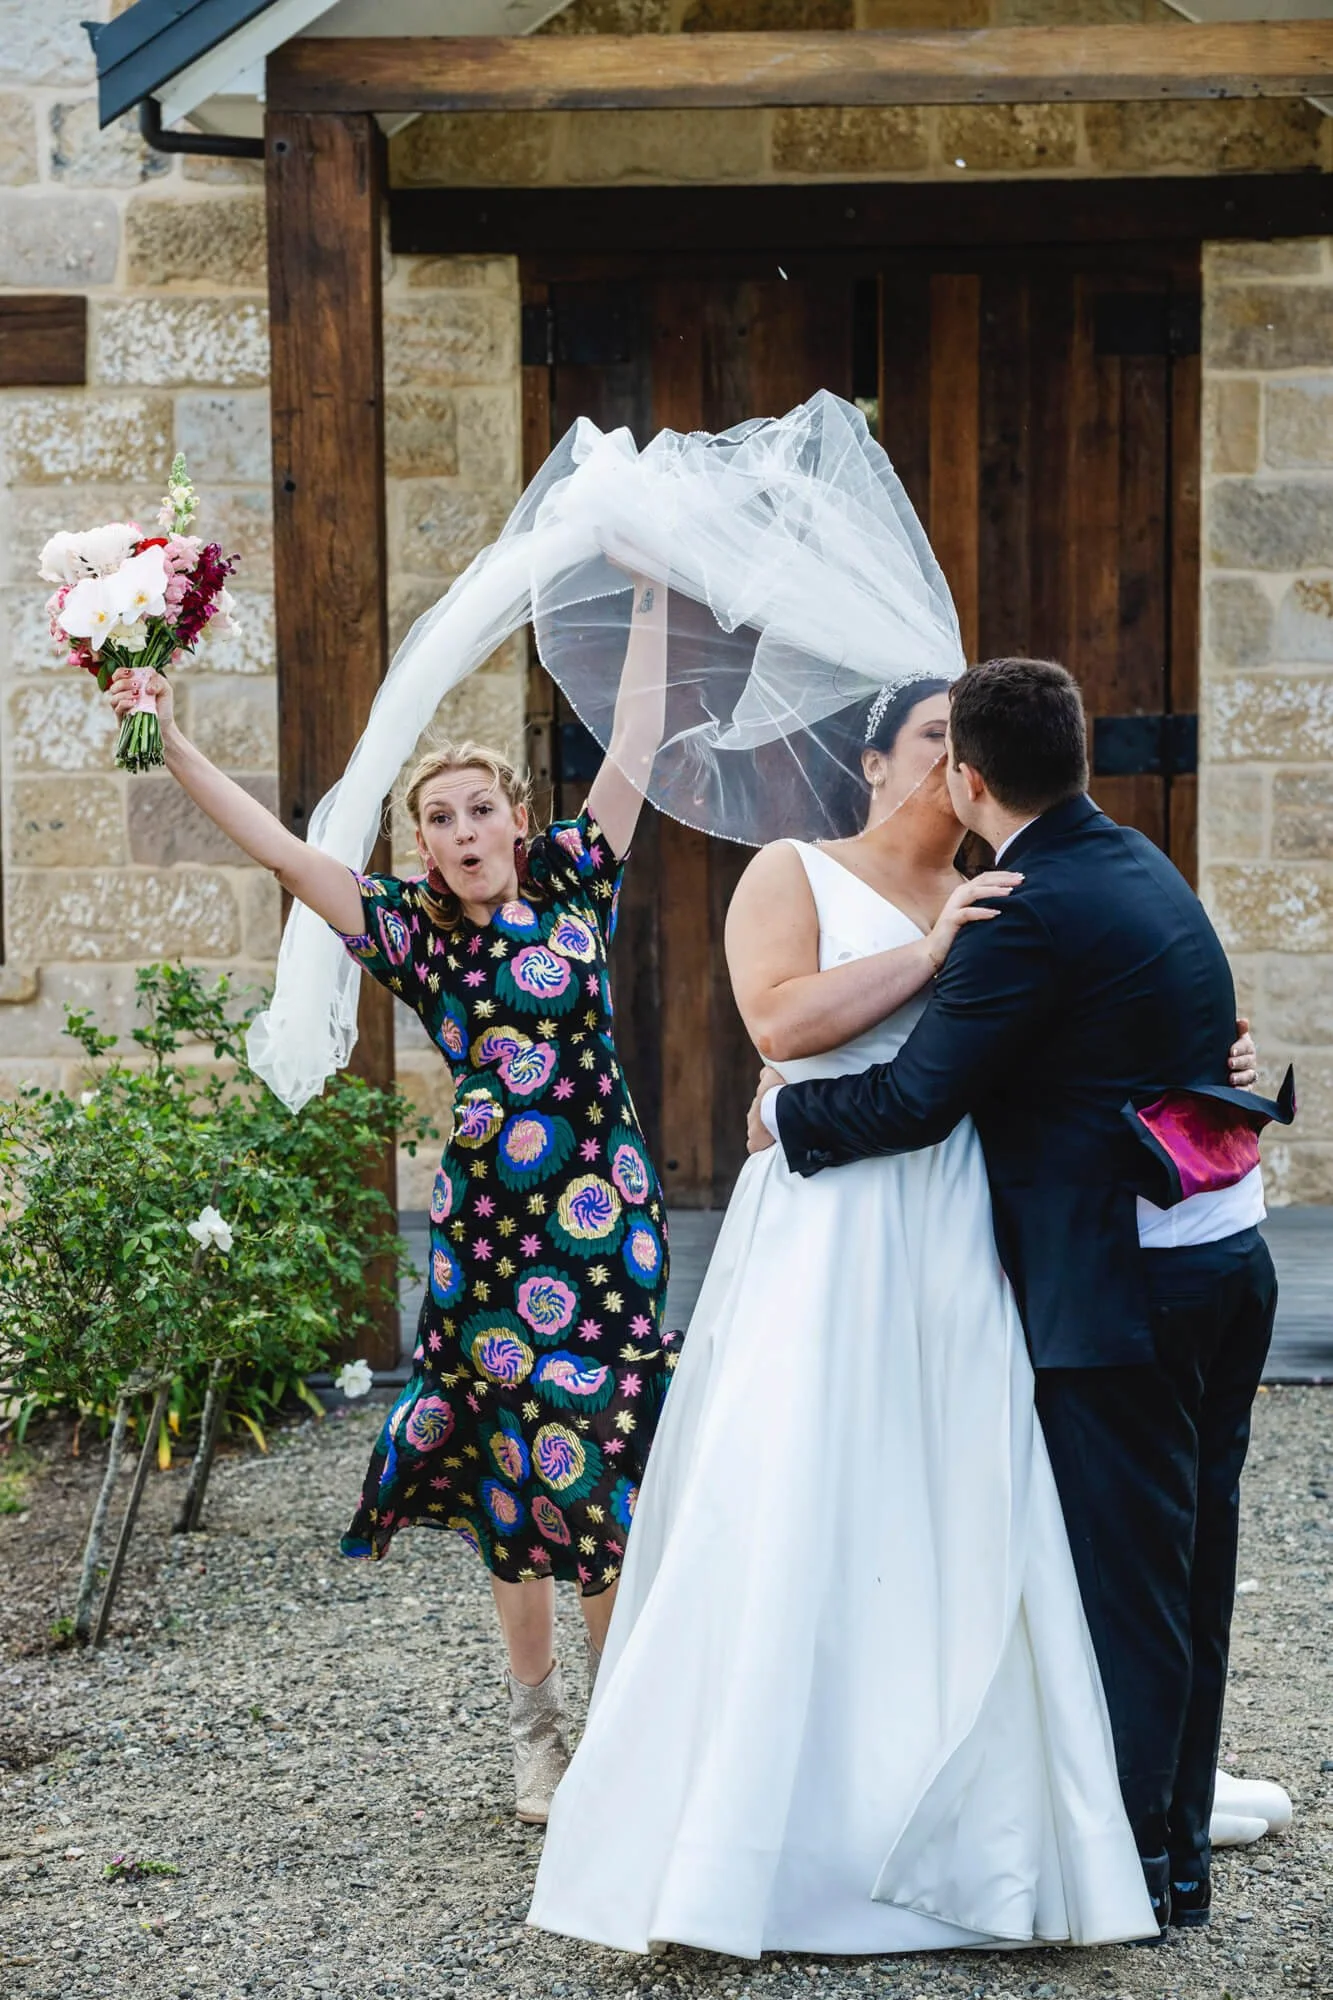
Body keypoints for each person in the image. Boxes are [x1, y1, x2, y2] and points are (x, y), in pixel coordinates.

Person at [527, 673, 1265, 1958]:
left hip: (968, 1233)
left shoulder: (1021, 894)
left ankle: (1073, 1812)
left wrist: (1207, 1059)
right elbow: (775, 1017)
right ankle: (797, 1806)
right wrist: (907, 977)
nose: (940, 764)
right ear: (873, 761)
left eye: (954, 743)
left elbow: (993, 1065)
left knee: (983, 1503)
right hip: (835, 1240)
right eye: (922, 737)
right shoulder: (797, 870)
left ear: (978, 775)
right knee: (814, 1485)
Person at [107, 577, 673, 1826]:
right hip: (488, 1238)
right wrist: (166, 724)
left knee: (607, 1473)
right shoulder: (417, 932)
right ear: (421, 844)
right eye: (440, 818)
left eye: (481, 808)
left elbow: (634, 739)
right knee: (517, 1481)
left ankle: (630, 1724)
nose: (464, 830)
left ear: (518, 819)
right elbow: (276, 844)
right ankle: (540, 1742)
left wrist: (652, 590)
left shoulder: (579, 879)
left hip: (612, 1227)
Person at [755, 657, 1294, 1937]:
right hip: (1222, 1262)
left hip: (1128, 1286)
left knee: (1130, 1582)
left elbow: (910, 1098)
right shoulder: (1136, 861)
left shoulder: (1026, 905)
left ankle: (1149, 1867)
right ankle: (1170, 1849)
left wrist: (786, 1115)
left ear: (969, 778)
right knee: (1191, 1563)